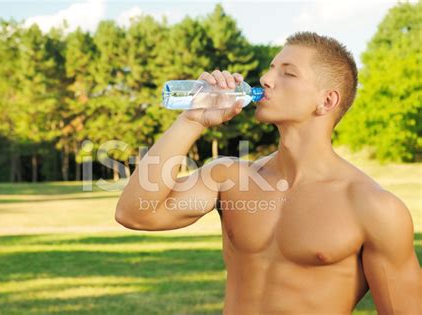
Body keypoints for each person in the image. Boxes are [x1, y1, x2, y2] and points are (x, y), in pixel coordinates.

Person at [115, 31, 421, 314]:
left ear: (326, 101)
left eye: (287, 73)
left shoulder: (374, 208)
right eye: (271, 68)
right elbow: (134, 214)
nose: (266, 79)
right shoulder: (229, 178)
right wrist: (191, 121)